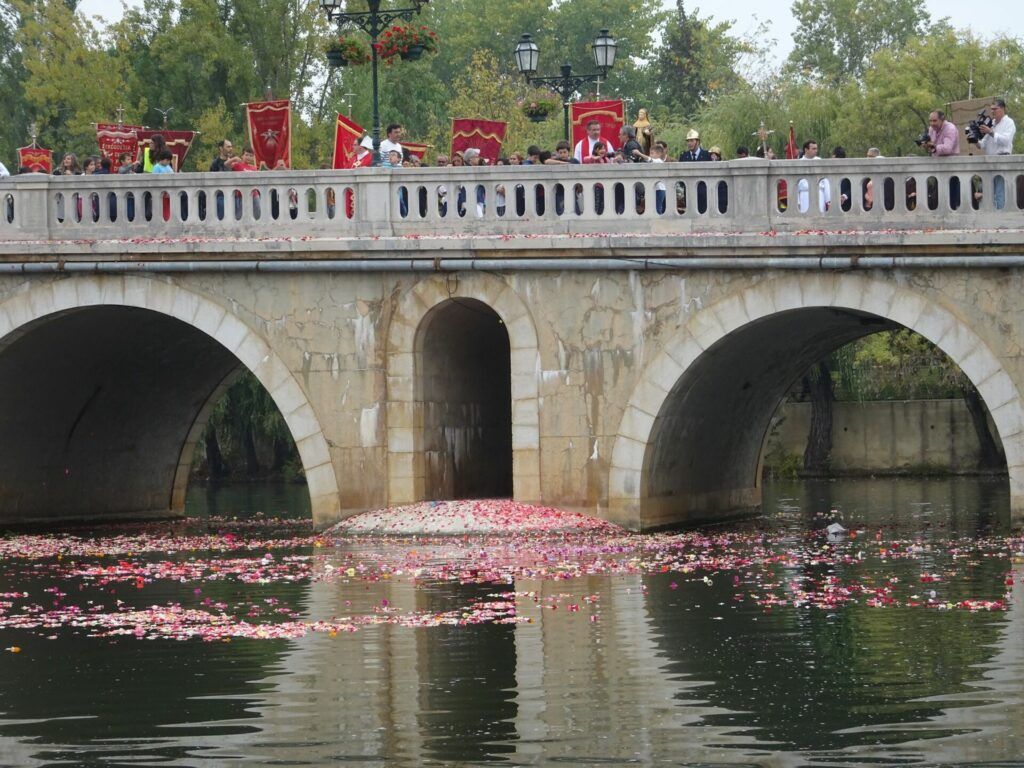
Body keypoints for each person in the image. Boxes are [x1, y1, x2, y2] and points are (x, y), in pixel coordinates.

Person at [979, 98, 1016, 208]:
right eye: (991, 109)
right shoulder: (992, 123)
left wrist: (990, 132)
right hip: (989, 162)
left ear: (1002, 108)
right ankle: (989, 219)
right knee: (987, 192)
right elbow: (983, 144)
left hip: (1002, 161)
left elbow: (1006, 141)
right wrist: (974, 139)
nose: (992, 111)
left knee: (1000, 191)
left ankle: (1000, 219)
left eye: (995, 109)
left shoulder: (1009, 122)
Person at [796, 140, 831, 213]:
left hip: (819, 194)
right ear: (806, 150)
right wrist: (797, 201)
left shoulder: (820, 161)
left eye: (816, 148)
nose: (816, 151)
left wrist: (828, 200)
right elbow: (795, 184)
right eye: (813, 149)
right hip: (804, 194)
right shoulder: (798, 163)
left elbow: (825, 181)